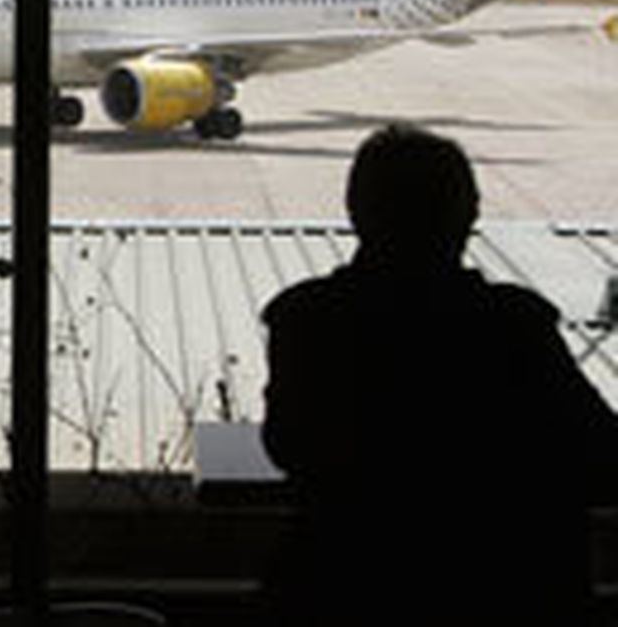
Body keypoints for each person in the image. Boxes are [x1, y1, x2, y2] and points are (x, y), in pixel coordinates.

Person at [260, 123, 618, 626]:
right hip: (508, 589)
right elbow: (600, 454)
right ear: (467, 215)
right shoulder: (512, 326)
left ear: (355, 212)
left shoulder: (306, 319)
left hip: (343, 586)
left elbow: (288, 446)